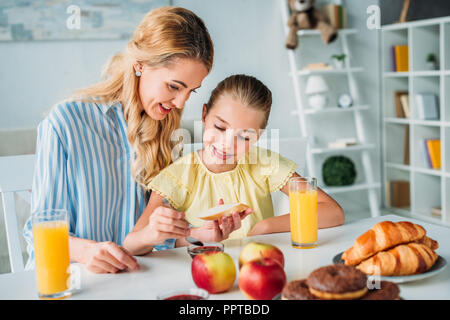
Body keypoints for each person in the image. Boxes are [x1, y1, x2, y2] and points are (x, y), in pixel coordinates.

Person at [22, 7, 244, 274]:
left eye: (190, 90)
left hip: (132, 281)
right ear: (140, 64)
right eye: (174, 86)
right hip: (69, 281)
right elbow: (40, 234)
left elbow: (153, 240)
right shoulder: (66, 122)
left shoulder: (168, 134)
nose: (181, 102)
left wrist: (202, 235)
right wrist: (87, 252)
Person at [123, 74, 345, 255]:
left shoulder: (263, 163)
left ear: (258, 137)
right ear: (204, 115)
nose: (227, 145)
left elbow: (333, 212)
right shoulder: (178, 175)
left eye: (245, 137)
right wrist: (197, 235)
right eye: (220, 127)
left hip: (262, 268)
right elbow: (133, 245)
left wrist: (264, 228)